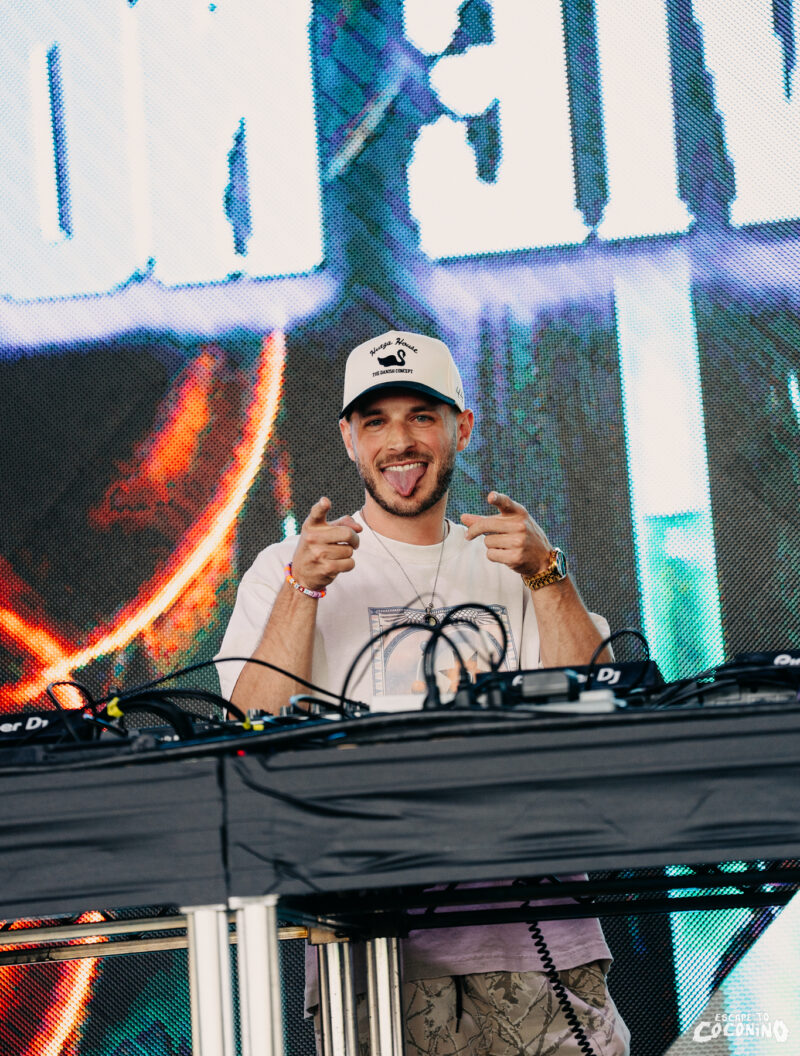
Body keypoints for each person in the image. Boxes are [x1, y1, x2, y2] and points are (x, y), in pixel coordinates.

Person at [216, 330, 630, 1056]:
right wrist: (301, 590)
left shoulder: (515, 560)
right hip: (369, 941)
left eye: (421, 416)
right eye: (375, 420)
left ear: (461, 428)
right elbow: (247, 726)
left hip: (538, 934)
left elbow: (597, 706)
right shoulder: (285, 567)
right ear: (349, 438)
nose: (399, 441)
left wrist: (547, 576)